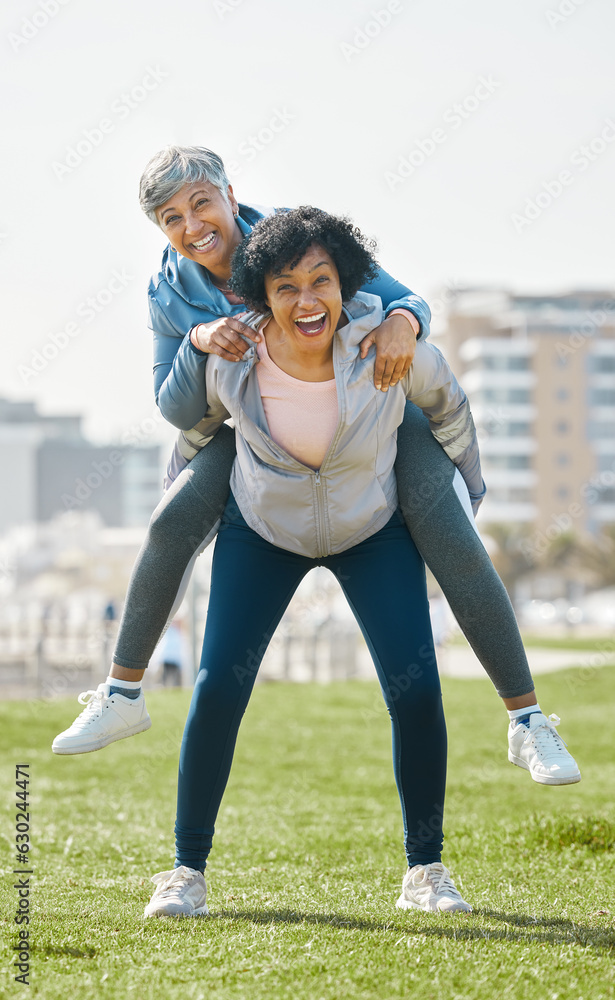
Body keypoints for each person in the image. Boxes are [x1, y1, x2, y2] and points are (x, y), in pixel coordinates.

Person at [52, 146, 580, 790]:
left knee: (448, 529)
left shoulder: (297, 238)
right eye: (170, 218)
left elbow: (406, 298)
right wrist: (197, 341)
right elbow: (174, 406)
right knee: (171, 521)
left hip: (367, 405)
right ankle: (122, 694)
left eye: (200, 203)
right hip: (261, 427)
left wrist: (405, 323)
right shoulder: (170, 291)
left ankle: (528, 721)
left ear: (227, 194)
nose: (191, 225)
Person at [145, 206, 484, 917]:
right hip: (262, 532)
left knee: (415, 689)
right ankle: (185, 872)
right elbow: (193, 434)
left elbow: (448, 409)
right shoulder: (233, 361)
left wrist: (457, 501)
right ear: (261, 299)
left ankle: (425, 872)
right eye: (285, 288)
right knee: (215, 690)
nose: (306, 301)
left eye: (320, 282)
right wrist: (179, 509)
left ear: (345, 285)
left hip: (370, 529)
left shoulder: (382, 347)